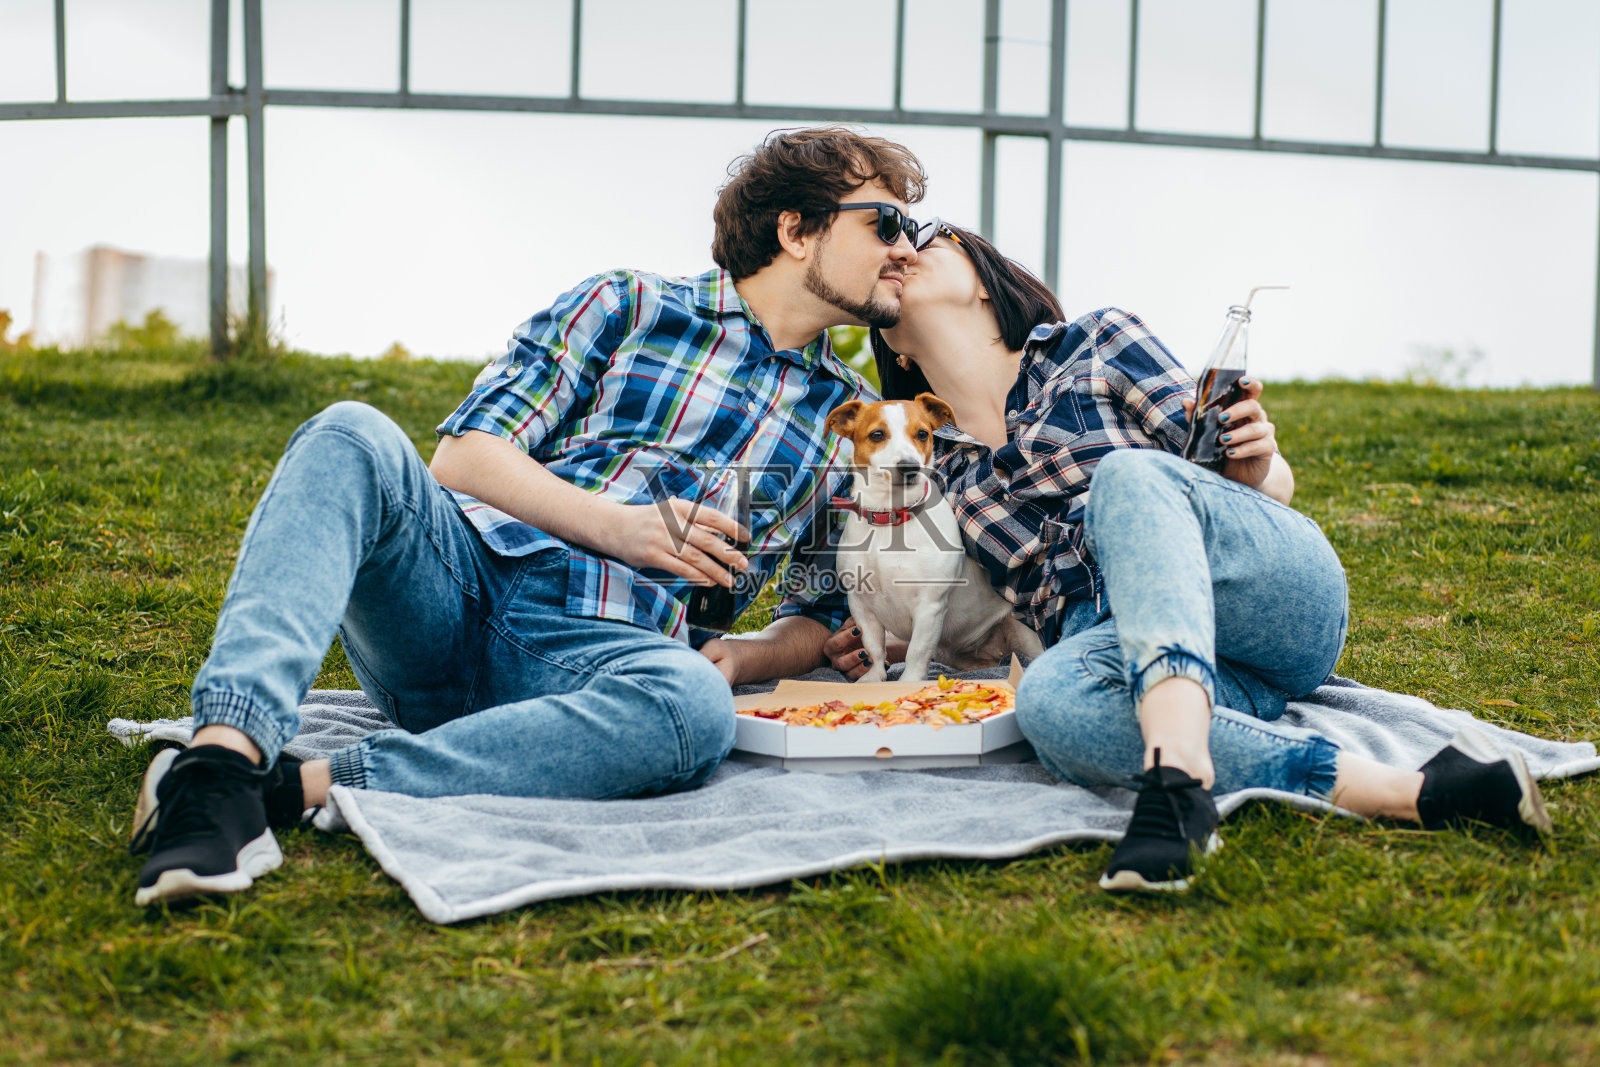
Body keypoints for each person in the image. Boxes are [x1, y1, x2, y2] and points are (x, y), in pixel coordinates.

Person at [129, 126, 927, 907]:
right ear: (795, 229)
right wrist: (619, 526)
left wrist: (746, 657)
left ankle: (284, 788)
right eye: (885, 223)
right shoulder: (630, 304)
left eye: (911, 232)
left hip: (599, 659)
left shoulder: (853, 423)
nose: (906, 250)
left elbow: (820, 612)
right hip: (455, 587)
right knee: (351, 432)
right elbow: (465, 455)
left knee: (692, 709)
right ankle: (221, 755)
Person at [823, 220, 1552, 892]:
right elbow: (913, 588)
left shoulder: (1096, 343)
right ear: (896, 348)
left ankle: (1176, 780)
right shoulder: (931, 474)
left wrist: (1254, 467)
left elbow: (1268, 482)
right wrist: (878, 636)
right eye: (890, 254)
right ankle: (1415, 792)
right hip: (1131, 651)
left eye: (927, 237)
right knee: (1049, 703)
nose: (903, 250)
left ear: (984, 278)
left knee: (1127, 477)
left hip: (1255, 590)